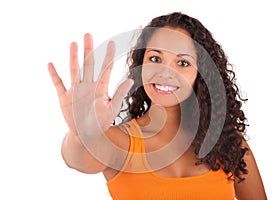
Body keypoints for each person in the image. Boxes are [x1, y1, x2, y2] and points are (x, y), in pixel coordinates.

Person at [48, 12, 267, 199]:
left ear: (200, 75)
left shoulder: (229, 144)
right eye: (155, 59)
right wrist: (83, 133)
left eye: (182, 63)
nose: (166, 72)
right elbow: (77, 159)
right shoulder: (120, 142)